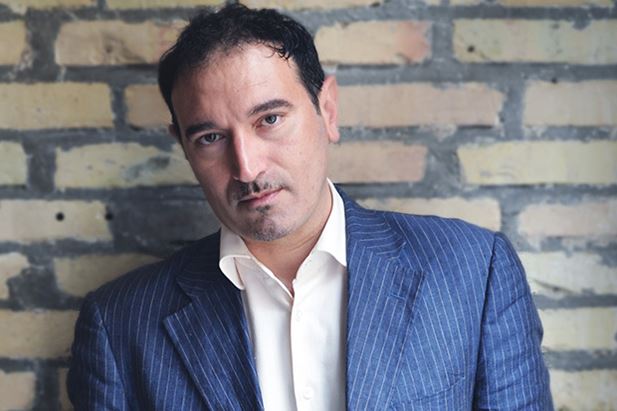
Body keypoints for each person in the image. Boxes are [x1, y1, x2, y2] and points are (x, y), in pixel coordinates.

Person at [67, 4, 553, 410]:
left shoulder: (473, 271)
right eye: (211, 137)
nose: (247, 167)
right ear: (184, 146)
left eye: (270, 119)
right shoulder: (119, 323)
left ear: (328, 111)